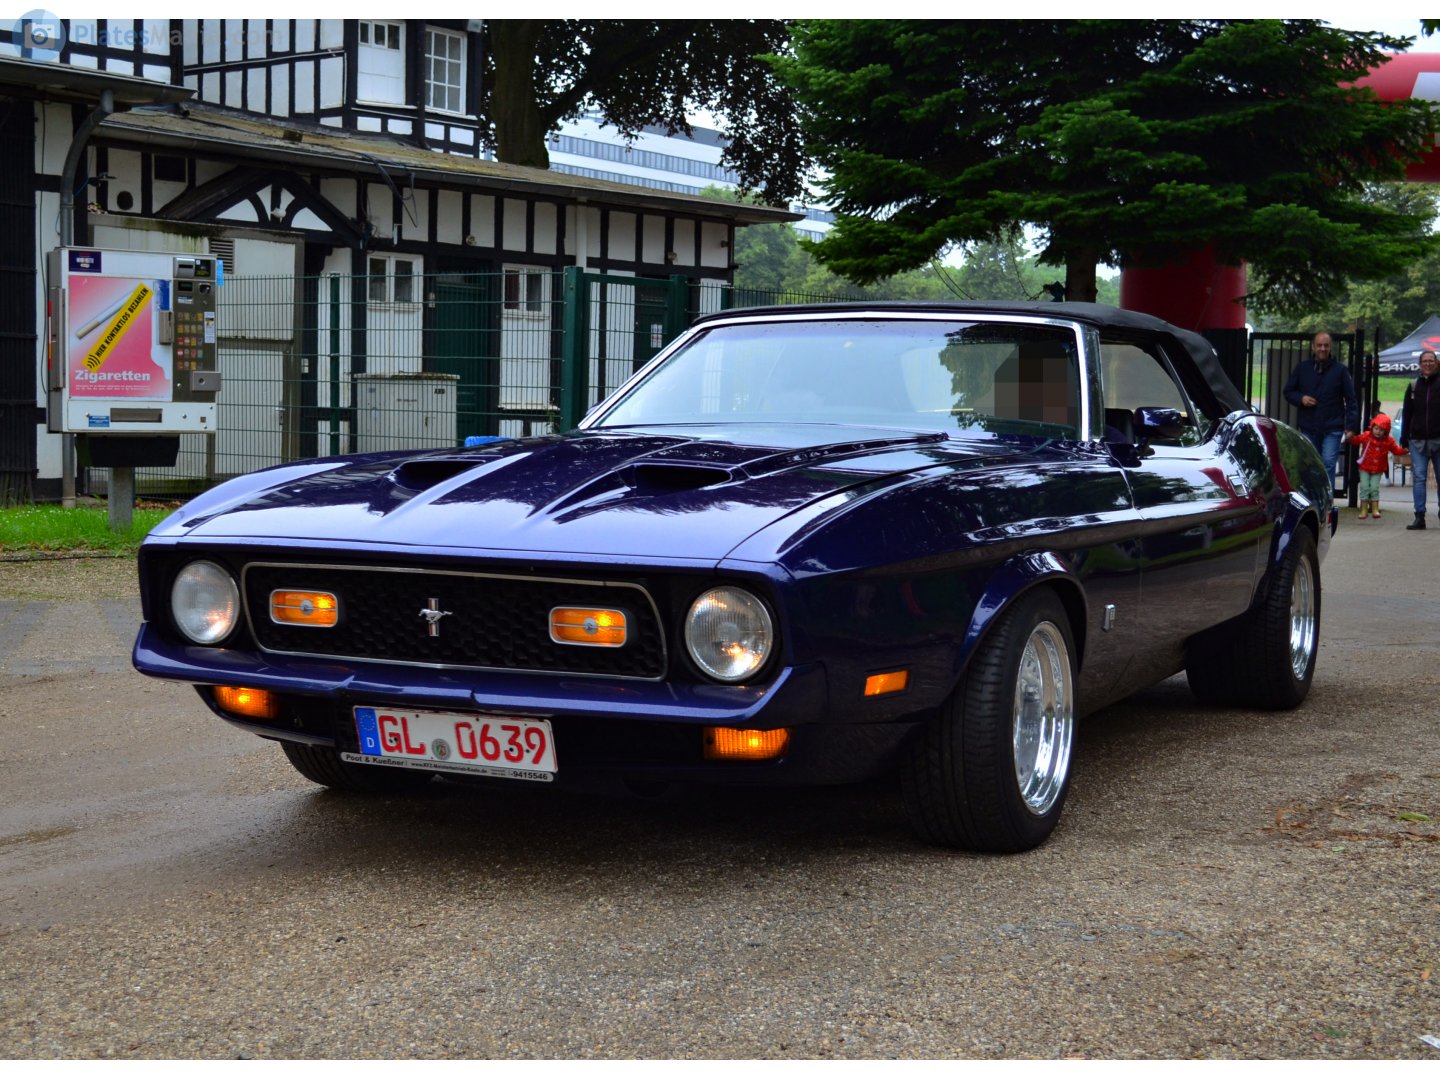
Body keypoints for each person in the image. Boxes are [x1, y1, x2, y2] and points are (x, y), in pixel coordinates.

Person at [1283, 331, 1359, 489]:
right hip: (1309, 427)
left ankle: (1327, 505)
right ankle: (1314, 501)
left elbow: (1351, 400)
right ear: (1313, 347)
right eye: (1319, 345)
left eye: (1326, 345)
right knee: (1311, 466)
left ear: (1330, 348)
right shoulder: (1302, 369)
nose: (1322, 348)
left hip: (1333, 427)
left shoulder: (1340, 371)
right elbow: (1288, 391)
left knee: (1328, 464)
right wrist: (1301, 399)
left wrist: (1351, 426)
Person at [1399, 348, 1440, 530]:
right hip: (1417, 440)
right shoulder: (1414, 385)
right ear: (1420, 365)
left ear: (1436, 363)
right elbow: (1407, 412)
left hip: (1438, 439)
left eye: (1431, 361)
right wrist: (1403, 436)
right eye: (1425, 361)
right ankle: (1419, 516)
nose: (1428, 364)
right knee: (1419, 478)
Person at [1348, 413, 1404, 520]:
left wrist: (1404, 450)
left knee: (1374, 488)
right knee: (1364, 486)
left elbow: (1396, 450)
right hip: (1365, 467)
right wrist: (1350, 438)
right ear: (1372, 427)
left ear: (1386, 431)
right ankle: (1363, 509)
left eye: (1382, 430)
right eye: (1376, 428)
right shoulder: (1366, 436)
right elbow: (1356, 440)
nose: (1378, 432)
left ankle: (1374, 508)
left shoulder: (1388, 441)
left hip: (1378, 469)